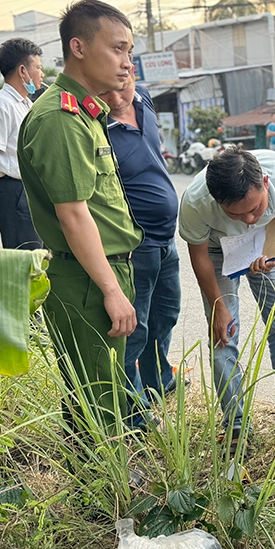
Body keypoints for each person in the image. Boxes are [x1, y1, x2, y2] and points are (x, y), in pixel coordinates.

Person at [17, 0, 143, 433]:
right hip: (89, 280)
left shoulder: (85, 111)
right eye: (118, 49)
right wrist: (110, 288)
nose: (127, 63)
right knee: (98, 402)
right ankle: (106, 497)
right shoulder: (61, 118)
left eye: (129, 52)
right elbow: (73, 215)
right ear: (79, 47)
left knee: (103, 391)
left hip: (100, 271)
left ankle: (106, 485)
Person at [179, 146, 275, 453]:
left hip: (268, 248)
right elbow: (199, 255)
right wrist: (218, 306)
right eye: (236, 214)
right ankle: (235, 423)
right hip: (217, 254)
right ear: (217, 202)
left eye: (256, 208)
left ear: (266, 183)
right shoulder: (196, 202)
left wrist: (274, 249)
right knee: (223, 338)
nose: (247, 219)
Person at [98, 72, 182, 419]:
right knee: (136, 327)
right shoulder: (97, 126)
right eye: (108, 91)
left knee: (168, 314)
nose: (117, 98)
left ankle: (158, 381)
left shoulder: (145, 99)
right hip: (136, 242)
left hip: (167, 238)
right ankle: (133, 410)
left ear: (133, 77)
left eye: (123, 87)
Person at [0, 38, 46, 249]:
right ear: (23, 71)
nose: (42, 74)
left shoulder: (25, 104)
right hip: (17, 192)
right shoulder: (0, 105)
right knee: (26, 259)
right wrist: (3, 182)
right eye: (39, 68)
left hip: (28, 189)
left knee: (41, 257)